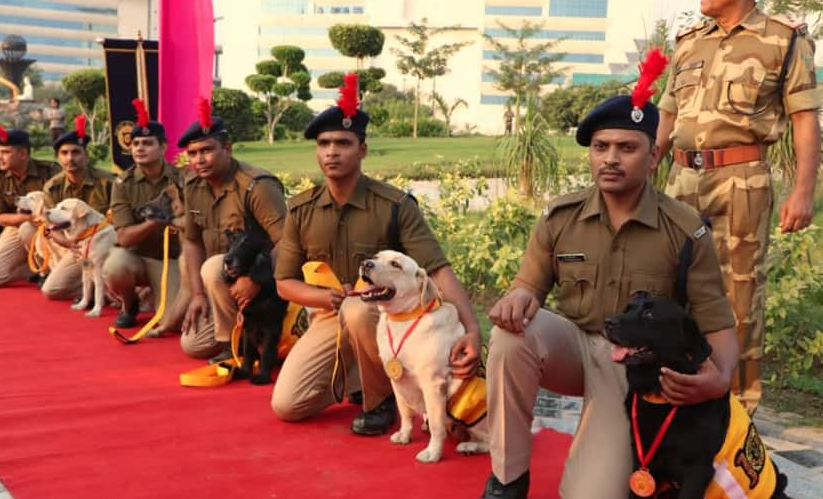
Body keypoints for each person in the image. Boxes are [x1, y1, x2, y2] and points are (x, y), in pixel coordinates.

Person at [479, 70, 738, 499]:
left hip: (632, 369)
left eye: (626, 148)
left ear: (654, 157)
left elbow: (715, 317)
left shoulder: (684, 231)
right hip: (574, 346)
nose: (610, 159)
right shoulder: (561, 218)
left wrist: (720, 378)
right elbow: (527, 286)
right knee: (512, 337)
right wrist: (519, 295)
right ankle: (508, 478)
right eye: (601, 147)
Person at [655, 0, 821, 414]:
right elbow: (668, 116)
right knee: (672, 286)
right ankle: (674, 396)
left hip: (741, 180)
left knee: (740, 297)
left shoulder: (782, 41)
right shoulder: (689, 42)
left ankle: (737, 411)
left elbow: (806, 120)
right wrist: (647, 164)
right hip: (682, 179)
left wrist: (803, 191)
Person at [272, 74, 481, 436]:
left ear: (362, 149)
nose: (331, 152)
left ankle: (379, 400)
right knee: (288, 405)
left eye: (342, 143)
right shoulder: (301, 209)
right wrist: (323, 297)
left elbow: (437, 271)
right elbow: (284, 283)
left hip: (395, 317)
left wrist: (473, 330)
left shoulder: (394, 205)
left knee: (357, 309)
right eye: (323, 144)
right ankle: (360, 376)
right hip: (328, 316)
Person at [179, 102, 288, 360]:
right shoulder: (193, 186)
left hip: (266, 285)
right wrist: (197, 294)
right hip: (223, 285)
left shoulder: (256, 186)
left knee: (213, 266)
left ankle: (235, 348)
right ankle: (246, 339)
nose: (199, 160)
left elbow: (286, 243)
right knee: (193, 346)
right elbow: (192, 242)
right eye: (192, 153)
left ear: (227, 149)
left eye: (206, 150)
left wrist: (256, 280)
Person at [102, 103, 184, 329]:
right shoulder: (122, 183)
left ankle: (156, 294)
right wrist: (155, 222)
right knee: (115, 266)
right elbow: (125, 237)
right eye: (136, 143)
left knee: (173, 323)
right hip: (137, 258)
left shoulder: (183, 178)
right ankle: (129, 305)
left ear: (163, 147)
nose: (139, 148)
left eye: (148, 143)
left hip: (172, 259)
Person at [39, 116, 114, 300]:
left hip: (109, 245)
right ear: (58, 157)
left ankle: (106, 291)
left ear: (86, 155)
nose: (70, 158)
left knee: (118, 270)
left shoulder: (107, 182)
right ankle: (92, 291)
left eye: (76, 152)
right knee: (52, 290)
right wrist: (66, 243)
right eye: (64, 153)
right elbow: (49, 225)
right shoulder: (52, 187)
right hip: (76, 247)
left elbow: (120, 218)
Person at [0, 127, 58, 287]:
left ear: (23, 154)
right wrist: (27, 218)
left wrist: (37, 221)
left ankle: (50, 270)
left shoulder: (49, 171)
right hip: (16, 225)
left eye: (5, 152)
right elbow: (0, 216)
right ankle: (35, 268)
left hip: (50, 228)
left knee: (27, 229)